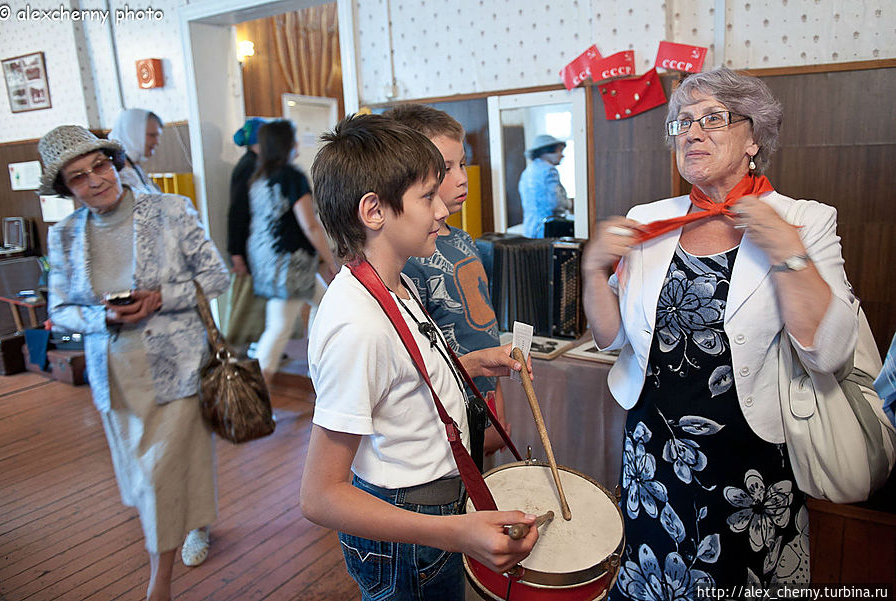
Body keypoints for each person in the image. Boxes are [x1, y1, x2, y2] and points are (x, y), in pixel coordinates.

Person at [582, 67, 858, 592]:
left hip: (750, 460)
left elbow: (829, 354)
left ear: (754, 137)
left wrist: (789, 251)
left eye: (713, 118)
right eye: (683, 122)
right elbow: (612, 339)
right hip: (654, 454)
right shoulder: (648, 220)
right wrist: (594, 270)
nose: (692, 132)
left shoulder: (803, 219)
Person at [300, 114, 539, 600]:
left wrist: (473, 363)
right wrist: (454, 533)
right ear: (374, 211)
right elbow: (320, 495)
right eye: (427, 197)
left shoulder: (399, 281)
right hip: (408, 528)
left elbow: (400, 382)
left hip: (433, 509)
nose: (442, 210)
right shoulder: (356, 325)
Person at [39, 125, 230, 600]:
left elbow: (216, 277)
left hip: (178, 365)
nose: (95, 180)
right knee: (146, 474)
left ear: (115, 163)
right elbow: (59, 309)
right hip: (116, 374)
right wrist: (100, 316)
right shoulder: (64, 235)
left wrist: (161, 297)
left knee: (159, 471)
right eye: (78, 176)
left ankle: (158, 584)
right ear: (66, 188)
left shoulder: (170, 210)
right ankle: (195, 521)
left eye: (100, 165)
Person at [386, 104, 510, 463]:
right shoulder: (412, 258)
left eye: (462, 164)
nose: (462, 178)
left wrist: (495, 397)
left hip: (483, 397)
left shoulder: (463, 240)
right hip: (443, 417)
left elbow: (482, 330)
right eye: (445, 168)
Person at [246, 119, 336, 381]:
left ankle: (317, 361)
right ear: (285, 144)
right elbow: (310, 225)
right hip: (290, 264)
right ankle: (256, 388)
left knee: (324, 303)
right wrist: (330, 259)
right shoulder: (292, 177)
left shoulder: (259, 178)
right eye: (294, 138)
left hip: (267, 260)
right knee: (279, 327)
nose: (297, 143)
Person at [224, 117, 268, 347]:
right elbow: (238, 211)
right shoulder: (248, 167)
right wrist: (236, 253)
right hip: (249, 246)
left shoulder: (257, 164)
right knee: (247, 304)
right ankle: (242, 353)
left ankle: (261, 348)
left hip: (257, 245)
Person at [518, 133, 571, 238]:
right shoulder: (549, 170)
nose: (562, 155)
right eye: (559, 151)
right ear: (546, 152)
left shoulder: (527, 171)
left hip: (530, 227)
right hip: (548, 227)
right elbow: (555, 202)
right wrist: (568, 204)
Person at [108, 108, 164, 194]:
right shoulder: (119, 174)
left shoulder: (134, 166)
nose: (157, 142)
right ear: (131, 134)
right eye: (152, 135)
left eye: (157, 136)